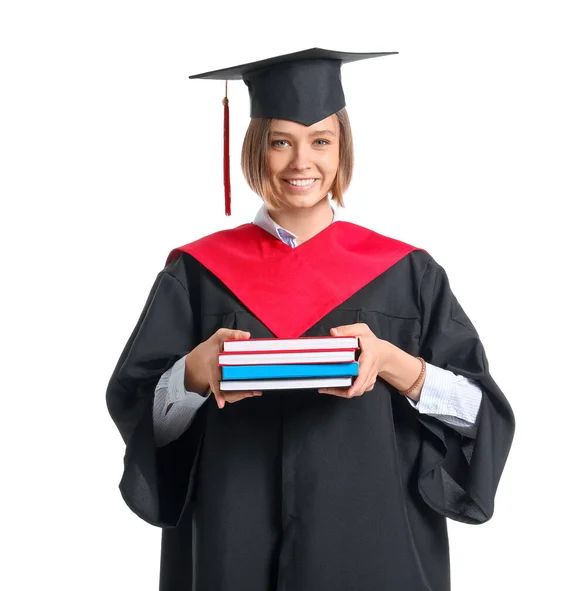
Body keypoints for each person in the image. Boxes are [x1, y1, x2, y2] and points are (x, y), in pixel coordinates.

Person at [106, 48, 515, 591]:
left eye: (320, 140)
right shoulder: (198, 274)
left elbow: (477, 416)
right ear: (257, 149)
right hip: (234, 544)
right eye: (282, 142)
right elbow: (141, 417)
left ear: (341, 149)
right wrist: (194, 373)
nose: (302, 162)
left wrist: (397, 365)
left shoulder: (407, 273)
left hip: (373, 552)